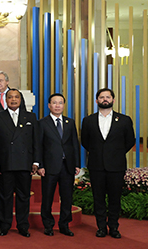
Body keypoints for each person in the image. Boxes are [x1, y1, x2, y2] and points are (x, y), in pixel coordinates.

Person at [80, 88, 136, 238]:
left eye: (108, 97)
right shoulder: (88, 120)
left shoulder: (124, 120)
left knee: (114, 198)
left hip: (116, 166)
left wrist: (115, 153)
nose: (105, 99)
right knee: (98, 198)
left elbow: (130, 140)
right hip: (96, 165)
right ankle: (101, 228)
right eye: (102, 97)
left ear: (113, 100)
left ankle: (114, 227)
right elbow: (85, 141)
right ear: (96, 100)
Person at [0, 89, 41, 237]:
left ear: (21, 99)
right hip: (4, 164)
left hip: (25, 163)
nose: (13, 99)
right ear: (5, 100)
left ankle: (23, 225)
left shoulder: (30, 116)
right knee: (4, 196)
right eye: (10, 97)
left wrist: (36, 161)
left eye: (16, 97)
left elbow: (36, 141)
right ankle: (4, 225)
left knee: (23, 196)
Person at [37, 93, 80, 237]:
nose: (57, 105)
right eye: (54, 103)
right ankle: (48, 225)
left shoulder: (70, 122)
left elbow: (75, 144)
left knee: (67, 197)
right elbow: (39, 146)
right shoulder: (42, 123)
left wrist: (77, 164)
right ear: (49, 105)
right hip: (49, 167)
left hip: (67, 166)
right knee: (47, 197)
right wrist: (40, 165)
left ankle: (64, 224)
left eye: (60, 103)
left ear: (63, 105)